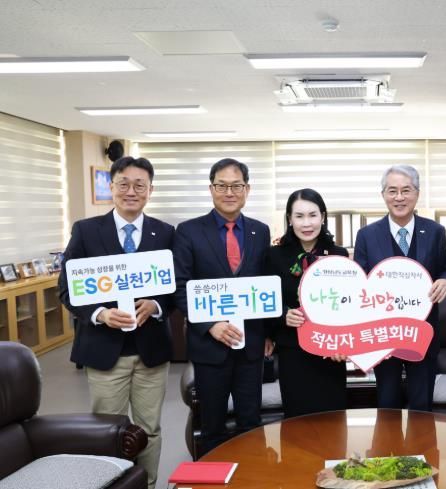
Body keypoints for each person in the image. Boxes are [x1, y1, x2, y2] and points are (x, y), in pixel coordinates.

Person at [59, 156, 174, 489]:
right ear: (111, 187)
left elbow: (176, 287)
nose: (131, 191)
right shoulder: (85, 230)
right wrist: (100, 313)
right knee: (107, 432)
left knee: (149, 429)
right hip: (104, 351)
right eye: (123, 183)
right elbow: (67, 288)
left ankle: (147, 484)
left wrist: (156, 305)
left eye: (140, 185)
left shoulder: (166, 233)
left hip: (151, 352)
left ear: (150, 190)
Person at [173, 158, 272, 455]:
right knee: (212, 427)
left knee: (251, 425)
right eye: (222, 185)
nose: (229, 192)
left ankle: (251, 477)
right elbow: (180, 286)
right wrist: (210, 325)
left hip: (250, 345)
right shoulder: (188, 231)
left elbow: (265, 285)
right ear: (211, 189)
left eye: (236, 186)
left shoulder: (260, 231)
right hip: (209, 347)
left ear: (247, 189)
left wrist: (268, 333)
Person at [354, 164, 446, 411]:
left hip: (423, 332)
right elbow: (359, 283)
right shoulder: (366, 235)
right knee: (387, 403)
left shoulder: (435, 231)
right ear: (383, 195)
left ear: (417, 193)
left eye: (406, 190)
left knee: (422, 405)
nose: (399, 197)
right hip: (383, 334)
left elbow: (444, 269)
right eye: (392, 191)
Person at [264, 188, 349, 418]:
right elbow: (265, 300)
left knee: (333, 420)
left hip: (330, 351)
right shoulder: (274, 255)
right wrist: (283, 315)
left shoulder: (339, 254)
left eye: (313, 215)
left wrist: (345, 343)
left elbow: (349, 304)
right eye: (299, 216)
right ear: (289, 219)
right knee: (297, 421)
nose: (307, 223)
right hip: (293, 350)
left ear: (323, 216)